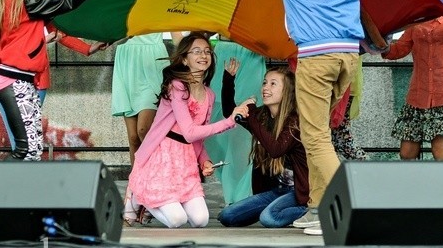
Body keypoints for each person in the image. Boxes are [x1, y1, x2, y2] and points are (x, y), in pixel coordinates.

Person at [223, 0, 386, 235]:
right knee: (317, 133)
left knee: (315, 139)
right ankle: (316, 206)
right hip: (347, 57)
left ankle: (349, 202)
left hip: (315, 57)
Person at [0, 0, 106, 152]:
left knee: (29, 145)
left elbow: (53, 23)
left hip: (30, 76)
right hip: (15, 77)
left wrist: (87, 47)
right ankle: (10, 185)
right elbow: (66, 3)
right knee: (25, 146)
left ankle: (23, 185)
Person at [124, 33, 252, 228]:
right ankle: (142, 197)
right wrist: (230, 120)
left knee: (200, 220)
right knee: (178, 220)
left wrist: (205, 161)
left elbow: (197, 138)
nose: (204, 55)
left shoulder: (209, 94)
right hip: (162, 157)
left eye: (207, 51)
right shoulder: (177, 86)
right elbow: (189, 132)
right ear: (184, 59)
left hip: (186, 161)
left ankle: (152, 200)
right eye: (197, 51)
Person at [217, 63, 309, 227]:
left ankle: (313, 211)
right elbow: (229, 111)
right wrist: (228, 80)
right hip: (275, 191)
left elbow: (276, 149)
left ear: (287, 90)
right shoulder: (262, 117)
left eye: (273, 84)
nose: (266, 87)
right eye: (265, 82)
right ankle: (276, 208)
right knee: (227, 216)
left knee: (269, 218)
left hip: (298, 192)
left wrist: (250, 110)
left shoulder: (294, 121)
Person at [381, 16, 443, 161]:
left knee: (441, 153)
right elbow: (396, 51)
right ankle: (416, 183)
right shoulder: (415, 24)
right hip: (417, 96)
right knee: (407, 153)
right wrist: (378, 38)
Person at [206, 37, 266, 204]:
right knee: (212, 133)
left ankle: (238, 197)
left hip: (252, 52)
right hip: (223, 53)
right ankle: (233, 192)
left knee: (243, 134)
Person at [112, 32, 183, 167]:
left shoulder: (161, 9)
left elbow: (177, 35)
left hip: (152, 61)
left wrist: (192, 52)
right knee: (133, 138)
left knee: (143, 130)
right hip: (127, 61)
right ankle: (135, 183)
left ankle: (159, 174)